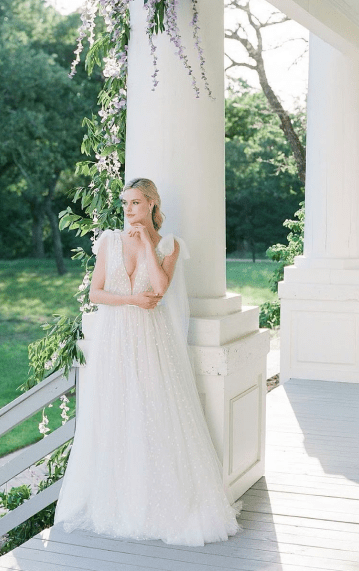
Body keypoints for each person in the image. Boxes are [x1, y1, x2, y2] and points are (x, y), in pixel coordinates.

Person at [54, 178, 240, 545]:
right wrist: (132, 302)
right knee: (116, 413)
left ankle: (159, 502)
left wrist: (147, 246)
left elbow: (159, 289)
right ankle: (118, 499)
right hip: (116, 340)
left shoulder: (170, 246)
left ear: (153, 205)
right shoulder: (109, 241)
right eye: (125, 203)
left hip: (152, 341)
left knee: (154, 410)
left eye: (136, 203)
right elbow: (96, 292)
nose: (127, 210)